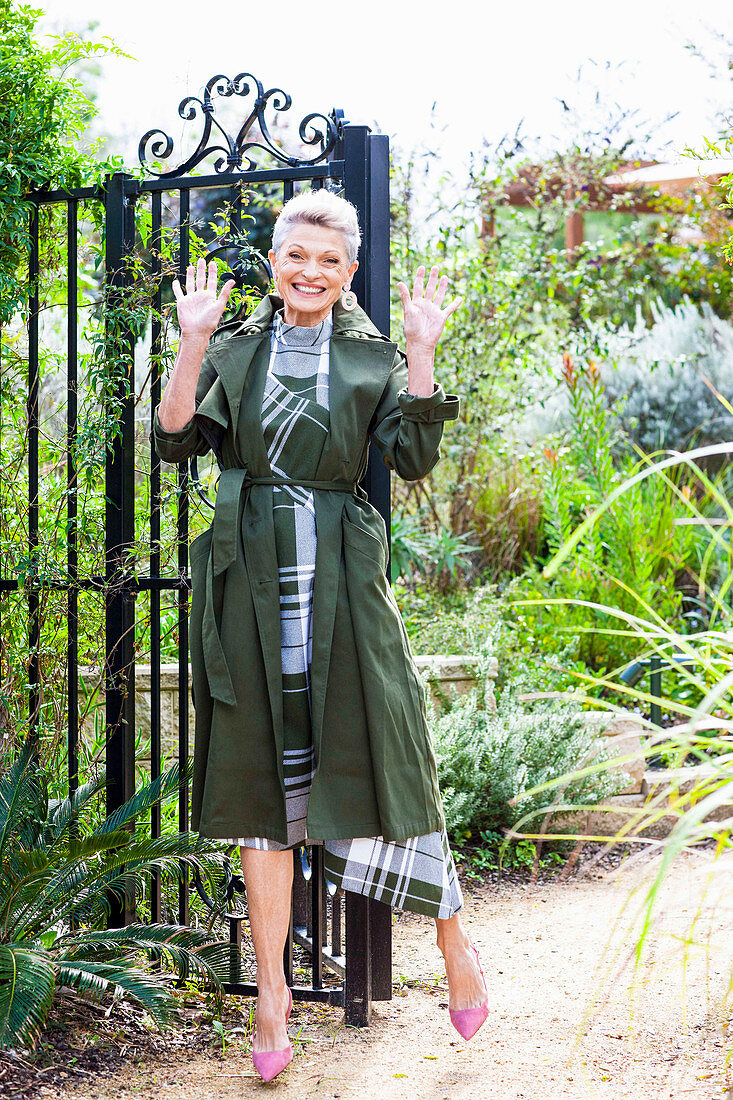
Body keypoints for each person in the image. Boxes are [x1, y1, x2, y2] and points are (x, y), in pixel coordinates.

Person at [152, 189, 488, 1082]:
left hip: (343, 579)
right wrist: (190, 340)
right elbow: (175, 436)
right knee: (264, 783)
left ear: (348, 274)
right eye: (295, 256)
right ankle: (271, 993)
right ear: (275, 264)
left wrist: (419, 352)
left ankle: (456, 944)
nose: (309, 271)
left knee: (389, 750)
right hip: (248, 583)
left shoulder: (374, 359)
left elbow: (411, 461)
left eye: (328, 260)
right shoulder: (234, 348)